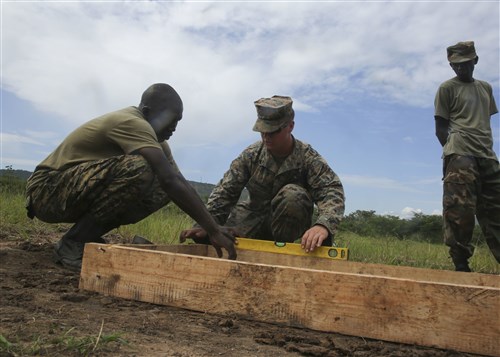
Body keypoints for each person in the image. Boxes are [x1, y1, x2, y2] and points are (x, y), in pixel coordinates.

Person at [26, 83, 237, 270]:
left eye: (178, 121)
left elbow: (177, 182)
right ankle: (73, 242)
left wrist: (209, 226)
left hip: (71, 191)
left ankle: (85, 237)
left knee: (163, 188)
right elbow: (169, 179)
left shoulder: (156, 142)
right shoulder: (132, 122)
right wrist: (212, 228)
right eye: (171, 119)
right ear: (147, 111)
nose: (174, 127)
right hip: (46, 190)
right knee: (144, 168)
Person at [180, 95, 345, 252]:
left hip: (287, 225)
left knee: (293, 195)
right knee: (213, 238)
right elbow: (225, 193)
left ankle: (282, 249)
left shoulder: (308, 158)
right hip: (251, 217)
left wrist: (323, 225)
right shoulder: (251, 154)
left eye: (273, 131)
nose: (266, 136)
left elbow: (331, 191)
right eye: (262, 131)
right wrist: (207, 225)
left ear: (290, 126)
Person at [434, 41, 500, 272]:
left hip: (487, 155)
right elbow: (440, 127)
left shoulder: (486, 88)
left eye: (464, 64)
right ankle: (461, 264)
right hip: (460, 152)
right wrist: (453, 153)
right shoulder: (446, 88)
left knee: (496, 211)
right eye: (455, 65)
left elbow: (484, 121)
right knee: (460, 211)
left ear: (475, 60)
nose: (460, 69)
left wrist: (482, 148)